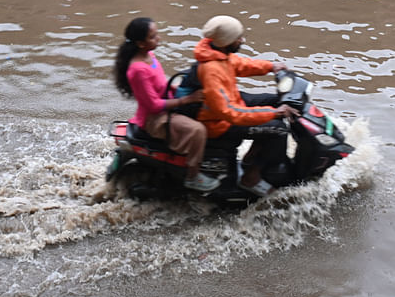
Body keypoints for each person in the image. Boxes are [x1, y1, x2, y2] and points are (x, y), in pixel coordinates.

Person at [193, 15, 296, 197]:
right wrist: (272, 114)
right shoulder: (211, 70)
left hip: (231, 104)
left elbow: (242, 64)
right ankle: (251, 177)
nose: (242, 40)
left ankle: (252, 159)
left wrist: (271, 66)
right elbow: (229, 113)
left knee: (276, 100)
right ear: (226, 42)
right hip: (219, 124)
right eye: (238, 38)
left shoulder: (218, 54)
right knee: (279, 130)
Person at [113, 17, 220, 193]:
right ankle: (193, 176)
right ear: (140, 43)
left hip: (165, 105)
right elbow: (154, 105)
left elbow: (160, 83)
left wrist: (181, 88)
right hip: (154, 119)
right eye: (153, 37)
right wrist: (188, 99)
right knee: (198, 130)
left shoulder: (150, 56)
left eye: (156, 34)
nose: (158, 39)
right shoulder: (138, 69)